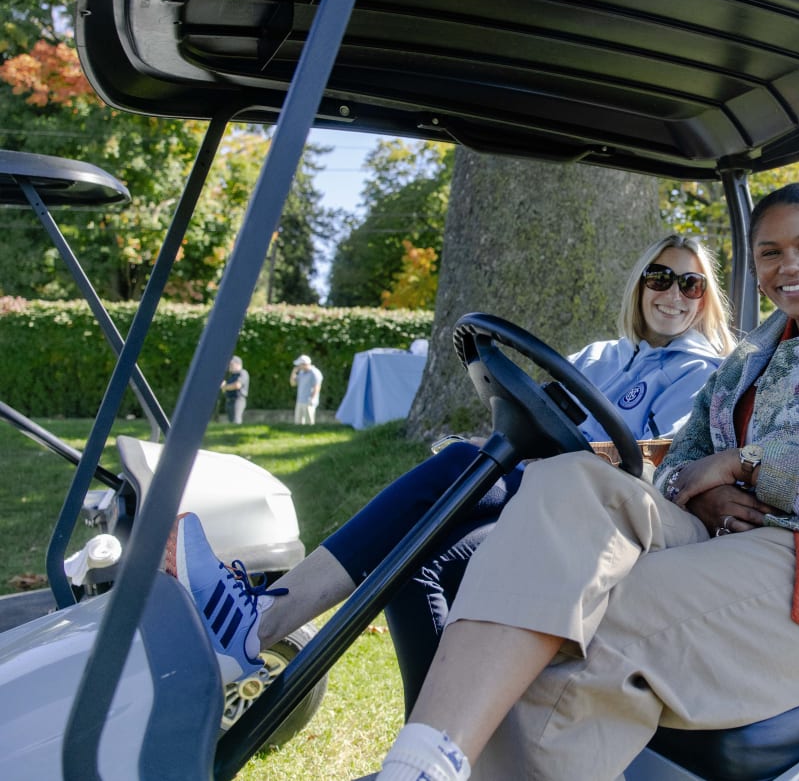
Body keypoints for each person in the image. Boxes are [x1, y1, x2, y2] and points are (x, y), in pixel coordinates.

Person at [362, 183, 799, 781]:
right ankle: (423, 761)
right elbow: (678, 465)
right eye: (770, 253)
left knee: (587, 635)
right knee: (567, 479)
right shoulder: (749, 356)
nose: (790, 266)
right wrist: (705, 489)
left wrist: (745, 466)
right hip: (729, 541)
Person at [166, 234, 735, 693]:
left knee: (462, 470)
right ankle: (437, 743)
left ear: (705, 297)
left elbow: (662, 458)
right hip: (544, 491)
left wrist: (569, 454)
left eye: (691, 283)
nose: (674, 294)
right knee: (414, 556)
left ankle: (259, 621)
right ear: (640, 286)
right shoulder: (602, 356)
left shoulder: (700, 369)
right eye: (660, 277)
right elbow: (543, 410)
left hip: (603, 514)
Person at [290, 355, 324, 425]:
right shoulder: (301, 373)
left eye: (299, 365)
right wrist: (293, 372)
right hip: (300, 401)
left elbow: (317, 387)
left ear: (304, 364)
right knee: (298, 423)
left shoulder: (315, 373)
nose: (298, 367)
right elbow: (293, 383)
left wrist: (312, 399)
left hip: (309, 402)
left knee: (309, 423)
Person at [220, 356, 249, 424]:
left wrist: (225, 386)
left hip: (238, 400)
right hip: (229, 400)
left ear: (237, 364)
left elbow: (237, 385)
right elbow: (225, 390)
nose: (229, 366)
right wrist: (223, 386)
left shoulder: (243, 373)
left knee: (236, 421)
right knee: (231, 422)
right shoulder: (232, 376)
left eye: (231, 364)